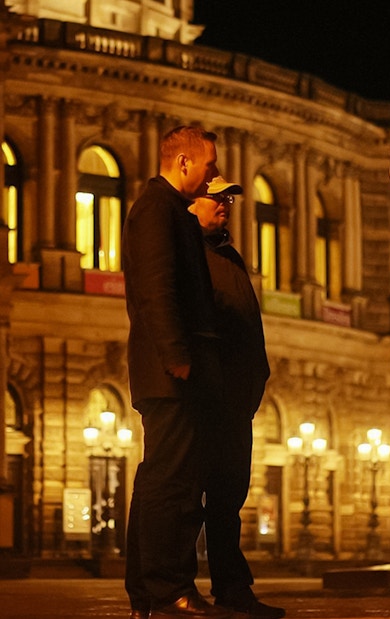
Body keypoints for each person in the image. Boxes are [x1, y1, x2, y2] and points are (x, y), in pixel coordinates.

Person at [122, 126, 231, 619]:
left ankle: (148, 591)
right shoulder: (157, 208)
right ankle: (169, 591)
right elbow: (156, 287)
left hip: (171, 368)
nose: (212, 175)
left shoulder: (167, 211)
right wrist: (177, 356)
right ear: (184, 162)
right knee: (174, 483)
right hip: (173, 370)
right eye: (208, 165)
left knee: (157, 480)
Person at [188, 177, 285, 619]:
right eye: (217, 196)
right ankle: (178, 585)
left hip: (235, 397)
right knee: (188, 494)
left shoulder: (228, 253)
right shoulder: (184, 252)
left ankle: (232, 586)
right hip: (202, 394)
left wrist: (254, 381)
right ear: (190, 200)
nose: (225, 204)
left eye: (228, 198)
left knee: (229, 497)